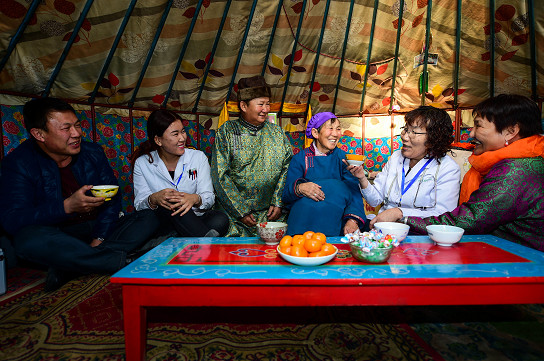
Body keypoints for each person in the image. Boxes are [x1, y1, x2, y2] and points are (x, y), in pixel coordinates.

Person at [0, 97, 158, 291]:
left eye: (77, 125)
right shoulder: (19, 163)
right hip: (58, 234)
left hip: (99, 229)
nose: (76, 134)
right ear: (39, 134)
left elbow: (113, 199)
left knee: (150, 216)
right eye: (66, 128)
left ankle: (73, 265)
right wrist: (65, 207)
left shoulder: (92, 152)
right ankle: (124, 261)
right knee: (27, 240)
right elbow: (12, 219)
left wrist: (99, 237)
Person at [400, 95, 544, 251]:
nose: (471, 134)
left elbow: (469, 220)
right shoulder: (521, 162)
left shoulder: (516, 171)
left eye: (478, 126)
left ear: (511, 131)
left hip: (524, 262)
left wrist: (404, 220)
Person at [346, 106, 461, 227]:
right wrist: (362, 178)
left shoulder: (447, 168)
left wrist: (399, 213)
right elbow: (375, 200)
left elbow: (444, 214)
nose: (404, 137)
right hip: (382, 227)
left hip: (418, 233)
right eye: (406, 129)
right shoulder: (396, 158)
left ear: (434, 138)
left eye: (414, 132)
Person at [211, 75, 293, 236]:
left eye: (268, 104)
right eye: (261, 104)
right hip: (235, 216)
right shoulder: (227, 132)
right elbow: (220, 175)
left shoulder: (277, 133)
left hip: (273, 213)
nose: (266, 109)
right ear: (243, 105)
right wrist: (240, 210)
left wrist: (278, 201)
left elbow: (288, 167)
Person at [132, 109, 229, 238]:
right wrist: (154, 198)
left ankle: (172, 240)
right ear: (158, 140)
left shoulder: (198, 157)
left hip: (195, 218)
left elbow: (209, 197)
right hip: (163, 222)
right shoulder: (142, 163)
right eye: (175, 134)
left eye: (183, 131)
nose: (182, 138)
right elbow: (139, 205)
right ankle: (205, 242)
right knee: (171, 200)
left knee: (220, 219)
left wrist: (195, 199)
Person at [282, 112, 367, 236]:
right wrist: (300, 188)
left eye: (338, 129)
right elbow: (286, 195)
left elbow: (354, 192)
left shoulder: (344, 158)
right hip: (303, 225)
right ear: (316, 133)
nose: (335, 134)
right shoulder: (300, 159)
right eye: (330, 128)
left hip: (334, 225)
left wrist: (352, 220)